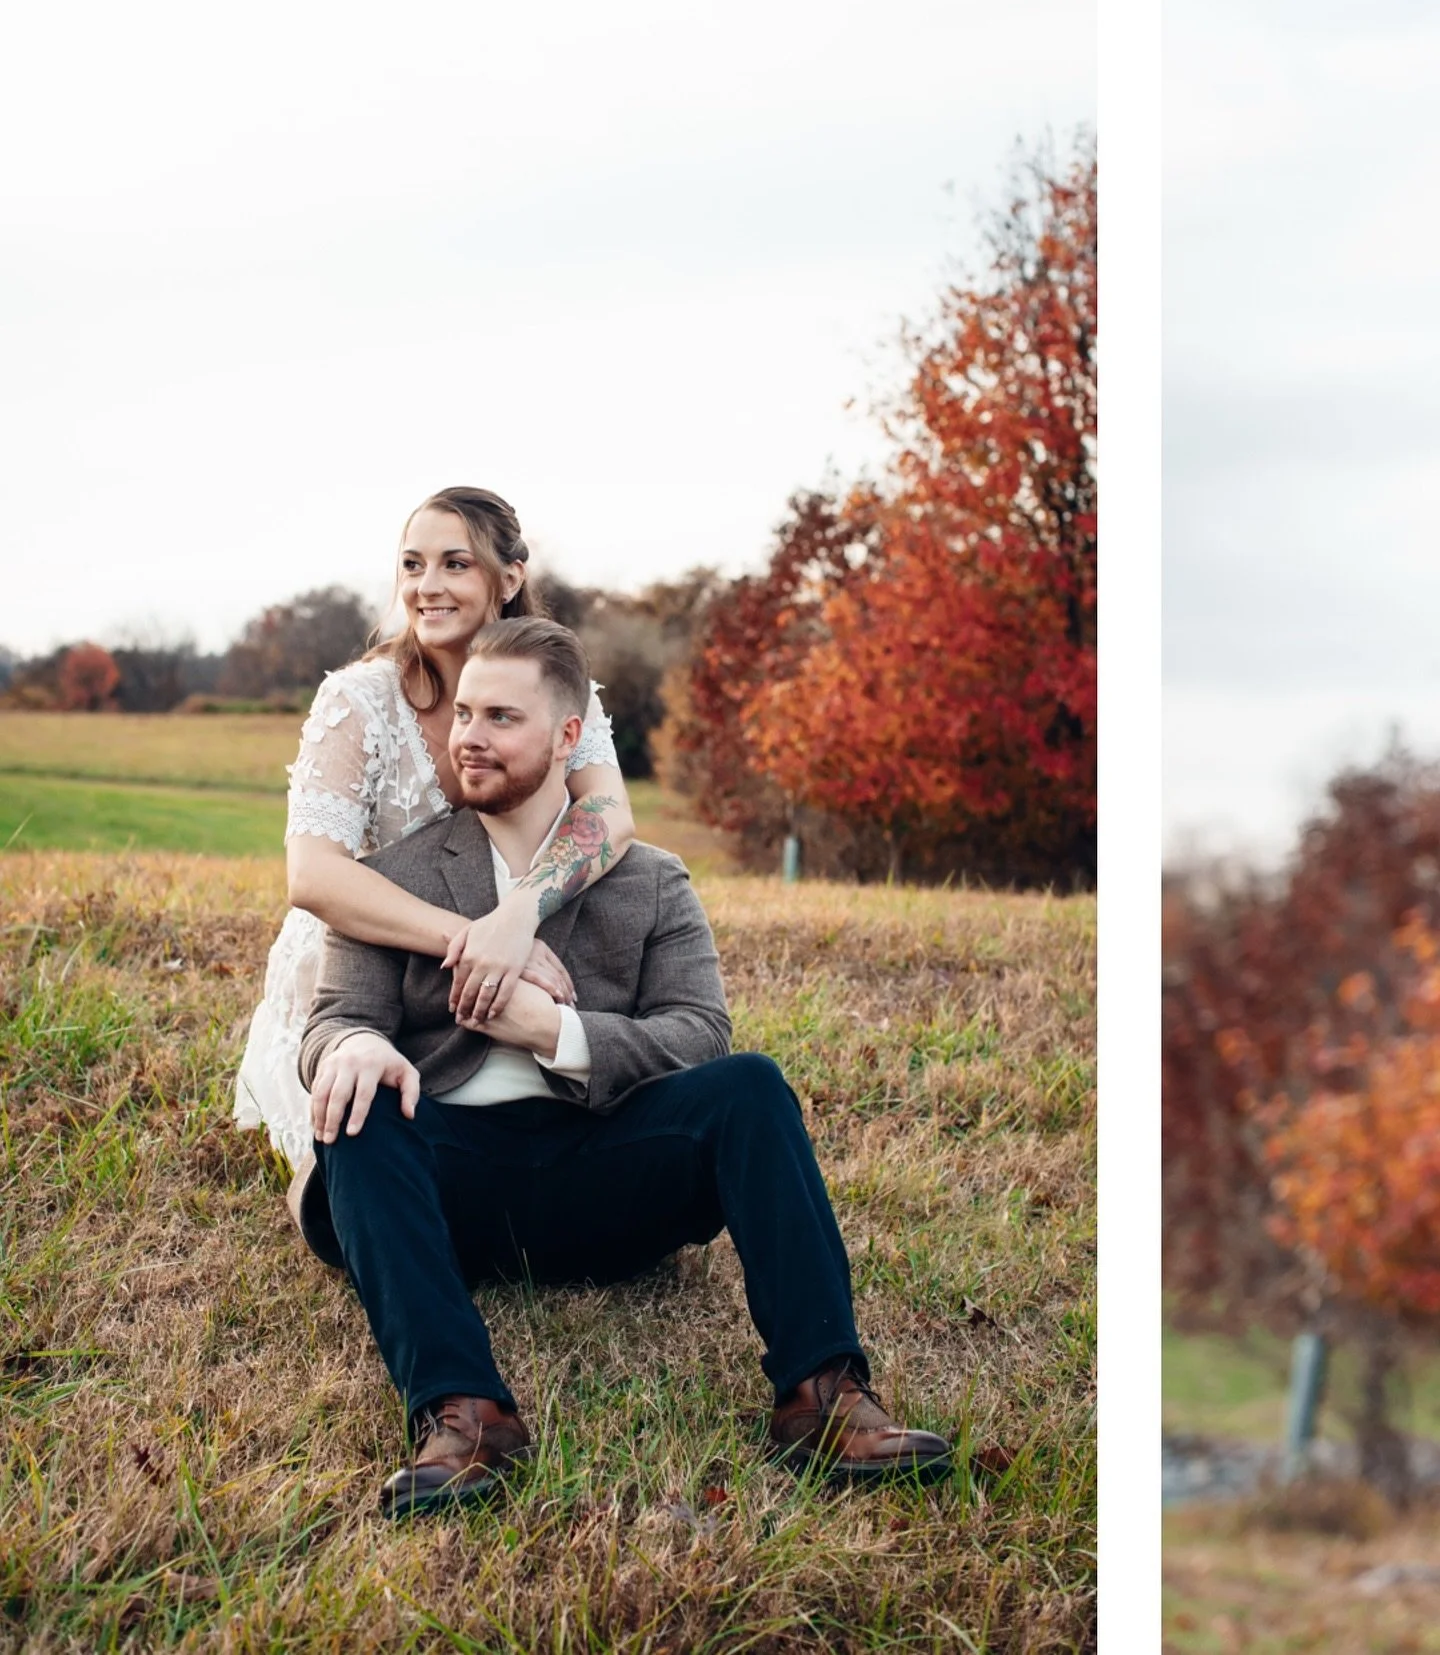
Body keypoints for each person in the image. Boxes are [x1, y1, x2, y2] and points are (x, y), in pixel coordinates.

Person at [295, 616, 953, 1517]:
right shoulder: (396, 875)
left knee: (751, 1084)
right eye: (465, 715)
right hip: (451, 1191)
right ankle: (467, 1418)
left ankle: (823, 1397)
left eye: (501, 717)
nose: (470, 736)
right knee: (360, 1110)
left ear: (570, 738)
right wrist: (355, 1044)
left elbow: (699, 1032)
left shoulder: (651, 879)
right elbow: (334, 1020)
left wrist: (554, 1031)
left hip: (605, 1173)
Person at [231, 486, 635, 1219]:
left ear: (508, 578)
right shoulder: (359, 700)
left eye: (456, 563)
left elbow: (607, 816)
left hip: (508, 955)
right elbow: (313, 873)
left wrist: (518, 915)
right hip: (370, 963)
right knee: (383, 1160)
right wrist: (474, 936)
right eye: (413, 563)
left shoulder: (555, 684)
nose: (428, 585)